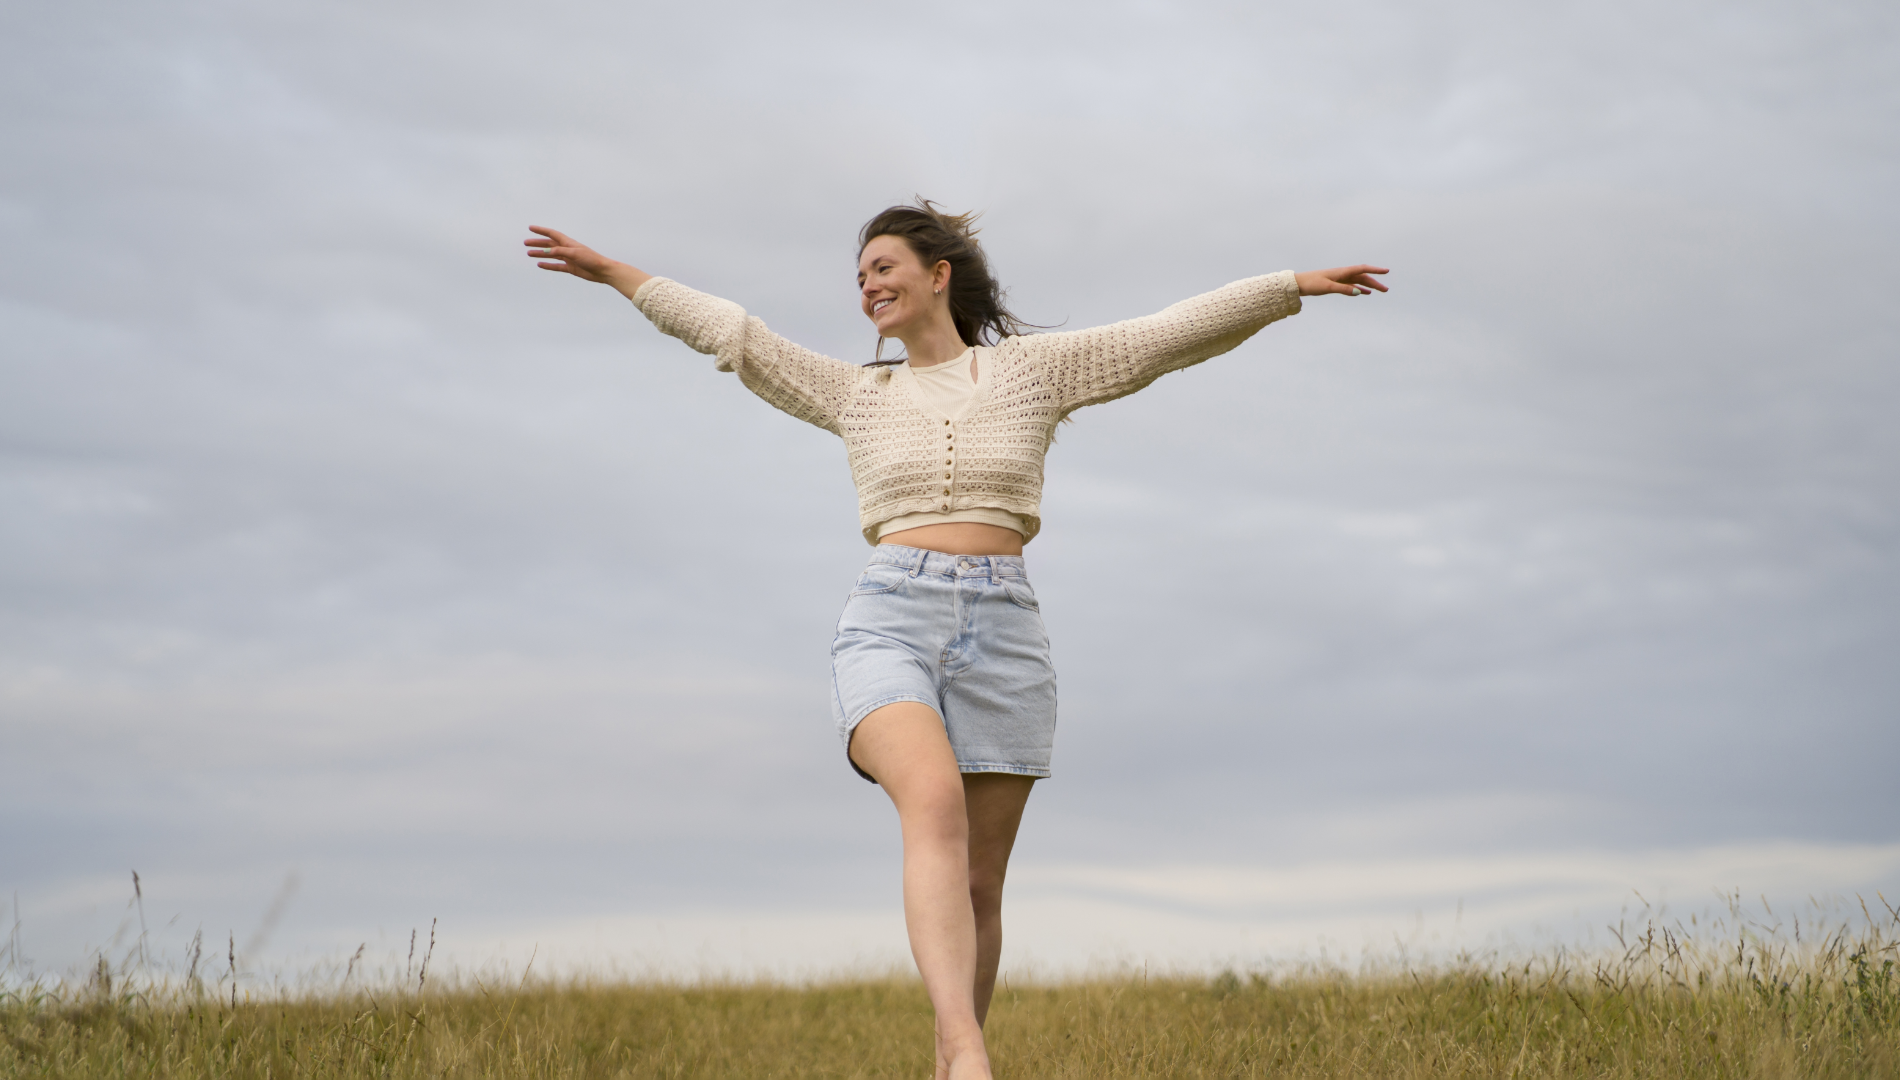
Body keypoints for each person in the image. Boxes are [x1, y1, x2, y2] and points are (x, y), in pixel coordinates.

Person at [524, 202, 1386, 1080]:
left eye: (885, 267)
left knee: (981, 884)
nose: (869, 286)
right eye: (860, 276)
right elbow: (736, 336)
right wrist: (619, 274)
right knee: (930, 804)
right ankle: (970, 1053)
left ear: (939, 275)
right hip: (890, 620)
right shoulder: (856, 393)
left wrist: (1287, 288)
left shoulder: (1033, 373)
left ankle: (949, 1062)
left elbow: (1162, 338)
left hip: (1005, 632)